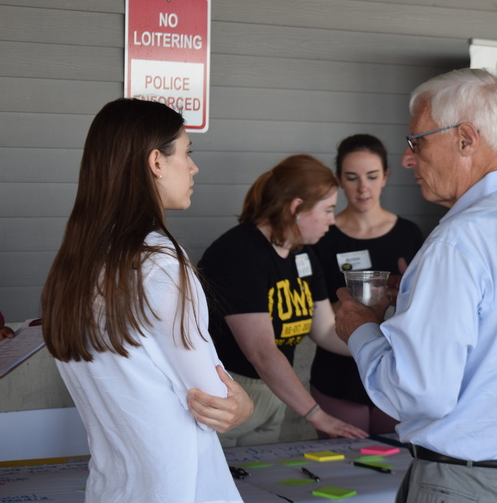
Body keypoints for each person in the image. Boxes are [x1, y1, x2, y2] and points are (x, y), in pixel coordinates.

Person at [334, 68, 497, 502]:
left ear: (465, 139)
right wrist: (418, 301)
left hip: (474, 484)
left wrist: (360, 327)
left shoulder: (460, 239)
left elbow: (417, 392)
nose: (407, 159)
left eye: (416, 142)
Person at [41, 98, 253, 503]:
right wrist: (242, 407)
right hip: (179, 489)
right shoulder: (158, 261)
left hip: (112, 488)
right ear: (156, 162)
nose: (193, 168)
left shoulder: (73, 266)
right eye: (188, 153)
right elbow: (213, 397)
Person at [198, 154, 369, 446]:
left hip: (275, 397)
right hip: (226, 396)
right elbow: (262, 352)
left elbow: (326, 330)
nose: (333, 220)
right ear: (296, 207)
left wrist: (381, 346)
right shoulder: (239, 253)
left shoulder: (303, 254)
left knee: (264, 485)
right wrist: (317, 414)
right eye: (328, 209)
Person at [310, 134, 424, 437]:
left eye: (372, 177)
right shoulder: (321, 235)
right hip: (337, 378)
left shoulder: (409, 235)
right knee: (340, 472)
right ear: (338, 180)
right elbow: (314, 315)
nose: (363, 188)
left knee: (396, 468)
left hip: (398, 374)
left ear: (385, 177)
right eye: (352, 178)